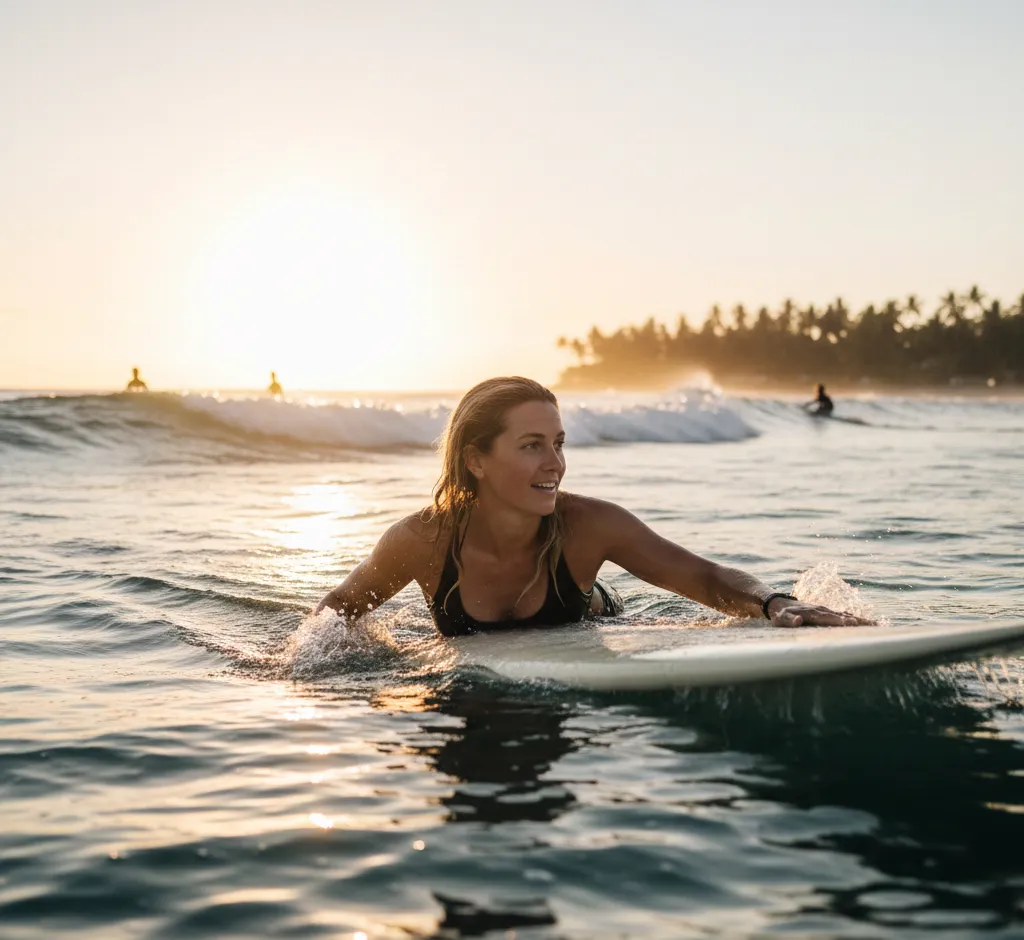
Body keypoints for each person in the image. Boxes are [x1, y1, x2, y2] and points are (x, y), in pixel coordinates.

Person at [316, 377, 870, 635]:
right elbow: (334, 613)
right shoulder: (421, 542)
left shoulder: (590, 526)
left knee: (604, 602)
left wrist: (772, 601)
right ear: (475, 460)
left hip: (593, 614)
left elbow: (703, 577)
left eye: (558, 443)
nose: (554, 463)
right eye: (531, 446)